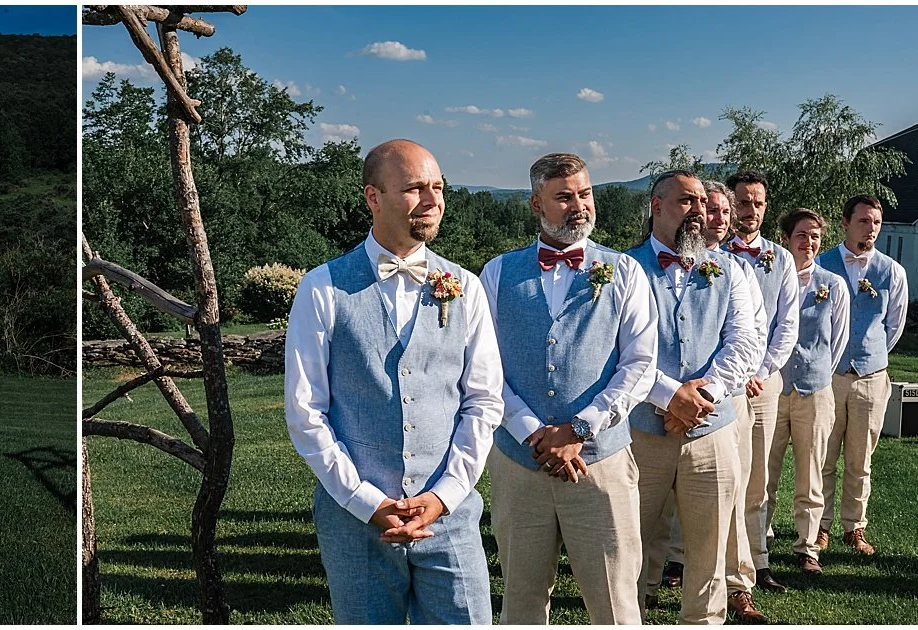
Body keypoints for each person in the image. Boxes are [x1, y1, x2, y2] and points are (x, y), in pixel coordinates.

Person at [283, 139, 503, 624]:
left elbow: (483, 401)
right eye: (414, 188)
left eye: (438, 187)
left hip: (449, 515)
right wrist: (366, 501)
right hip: (355, 521)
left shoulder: (465, 287)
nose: (431, 200)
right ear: (373, 197)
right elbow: (305, 411)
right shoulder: (322, 287)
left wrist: (445, 494)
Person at [483, 153, 655, 624]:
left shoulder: (624, 271)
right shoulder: (497, 273)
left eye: (585, 194)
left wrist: (580, 428)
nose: (579, 206)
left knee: (616, 603)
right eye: (564, 197)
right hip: (519, 464)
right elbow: (484, 366)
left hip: (601, 465)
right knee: (520, 601)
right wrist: (530, 431)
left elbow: (639, 364)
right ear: (537, 204)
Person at [625, 170, 761, 624]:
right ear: (656, 206)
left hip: (712, 430)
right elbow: (617, 350)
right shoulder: (624, 269)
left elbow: (744, 342)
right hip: (641, 430)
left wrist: (706, 395)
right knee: (630, 541)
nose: (699, 211)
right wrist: (669, 396)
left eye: (702, 202)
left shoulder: (731, 270)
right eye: (687, 201)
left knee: (709, 548)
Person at [814, 194, 908, 557]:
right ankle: (819, 526)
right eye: (864, 221)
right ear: (845, 223)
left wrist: (869, 353)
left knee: (860, 458)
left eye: (876, 223)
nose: (871, 229)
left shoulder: (892, 271)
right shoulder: (820, 264)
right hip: (829, 376)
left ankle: (854, 526)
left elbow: (893, 326)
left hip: (870, 376)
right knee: (823, 455)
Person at [721, 172, 800, 598]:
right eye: (743, 202)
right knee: (708, 471)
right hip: (721, 384)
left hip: (763, 382)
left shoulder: (780, 259)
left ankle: (756, 559)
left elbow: (787, 324)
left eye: (758, 203)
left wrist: (762, 370)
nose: (751, 211)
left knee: (757, 476)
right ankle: (680, 555)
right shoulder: (711, 253)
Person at [771, 208, 849, 576]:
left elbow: (838, 340)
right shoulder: (771, 277)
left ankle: (807, 546)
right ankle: (758, 541)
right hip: (772, 388)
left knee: (811, 471)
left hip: (815, 389)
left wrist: (815, 373)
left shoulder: (833, 285)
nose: (809, 242)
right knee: (763, 472)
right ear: (786, 238)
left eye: (815, 236)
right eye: (802, 234)